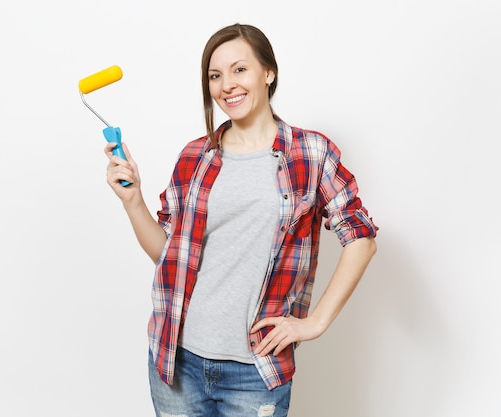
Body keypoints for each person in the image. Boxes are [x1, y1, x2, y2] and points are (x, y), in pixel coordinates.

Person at [104, 23, 378, 417]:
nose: (226, 85)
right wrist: (132, 201)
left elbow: (361, 239)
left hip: (254, 371)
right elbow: (168, 254)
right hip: (177, 359)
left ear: (268, 72)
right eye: (215, 76)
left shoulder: (311, 152)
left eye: (239, 70)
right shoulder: (195, 157)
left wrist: (314, 322)